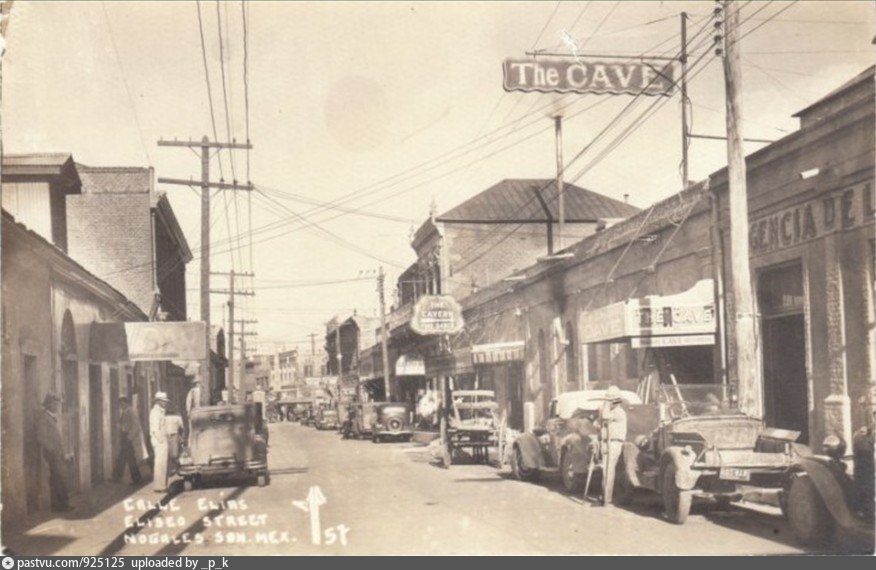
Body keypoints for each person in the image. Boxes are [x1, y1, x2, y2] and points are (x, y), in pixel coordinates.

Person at [38, 392, 74, 512]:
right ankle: (61, 506)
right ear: (48, 404)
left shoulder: (52, 417)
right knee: (58, 479)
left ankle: (60, 505)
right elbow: (41, 437)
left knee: (59, 479)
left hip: (58, 454)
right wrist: (53, 450)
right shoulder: (44, 418)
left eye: (57, 404)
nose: (56, 406)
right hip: (53, 455)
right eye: (54, 404)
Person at [599, 385, 627, 506]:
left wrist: (606, 404)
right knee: (605, 470)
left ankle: (607, 499)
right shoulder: (612, 411)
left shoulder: (618, 412)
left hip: (614, 443)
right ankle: (604, 496)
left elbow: (605, 416)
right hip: (608, 442)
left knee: (608, 471)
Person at [113, 397, 145, 484]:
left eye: (122, 404)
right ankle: (117, 477)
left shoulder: (131, 412)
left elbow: (136, 426)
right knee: (123, 458)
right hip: (125, 438)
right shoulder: (125, 412)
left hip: (128, 438)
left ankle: (136, 479)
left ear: (127, 403)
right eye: (120, 404)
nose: (121, 406)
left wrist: (129, 437)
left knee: (129, 459)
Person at [149, 392, 170, 493]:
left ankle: (162, 485)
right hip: (159, 440)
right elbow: (155, 429)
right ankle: (159, 486)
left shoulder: (160, 411)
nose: (165, 403)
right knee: (160, 463)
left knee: (162, 463)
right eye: (163, 401)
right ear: (158, 401)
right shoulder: (156, 412)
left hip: (161, 439)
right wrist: (161, 440)